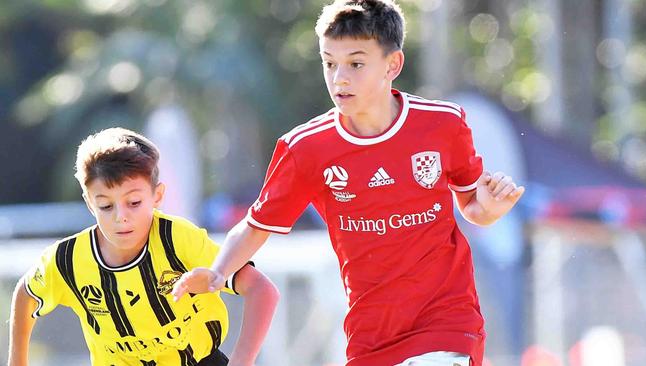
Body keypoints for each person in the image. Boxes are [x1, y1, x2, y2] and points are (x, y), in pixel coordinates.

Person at [172, 1, 525, 365]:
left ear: (393, 65)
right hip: (369, 337)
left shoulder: (443, 124)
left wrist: (490, 210)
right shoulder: (306, 148)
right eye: (329, 63)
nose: (339, 78)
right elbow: (256, 226)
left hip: (447, 324)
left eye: (356, 63)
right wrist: (217, 273)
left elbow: (472, 206)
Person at [8, 127, 279, 366]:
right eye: (105, 205)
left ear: (157, 195)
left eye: (134, 202)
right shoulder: (67, 260)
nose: (120, 216)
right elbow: (27, 292)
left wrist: (243, 361)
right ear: (90, 203)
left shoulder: (178, 239)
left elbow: (262, 290)